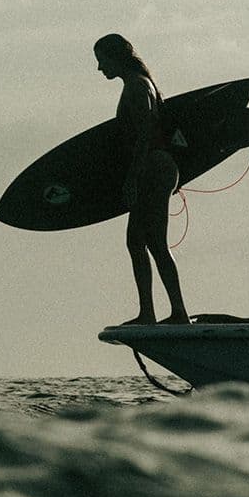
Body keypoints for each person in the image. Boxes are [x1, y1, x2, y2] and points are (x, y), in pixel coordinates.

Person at [94, 33, 189, 325]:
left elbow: (145, 134)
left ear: (116, 57)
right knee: (137, 241)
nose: (99, 68)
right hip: (152, 168)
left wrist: (132, 178)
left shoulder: (137, 86)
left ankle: (178, 314)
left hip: (154, 168)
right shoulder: (137, 85)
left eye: (102, 61)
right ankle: (148, 312)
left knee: (154, 242)